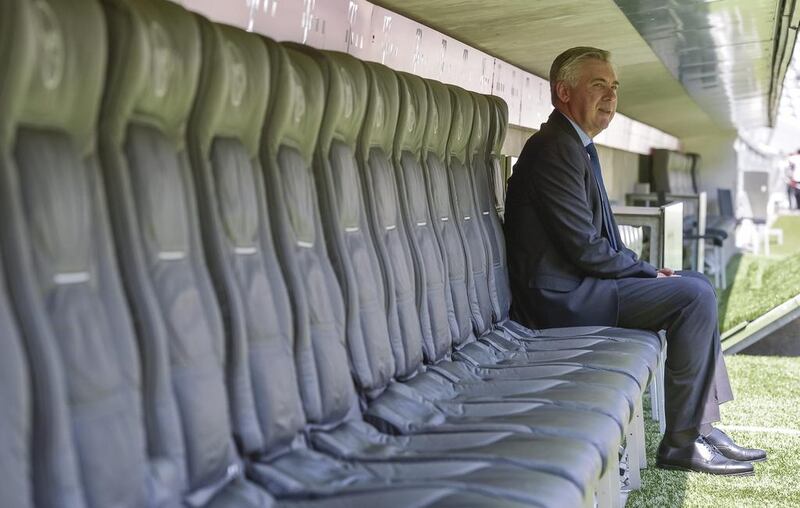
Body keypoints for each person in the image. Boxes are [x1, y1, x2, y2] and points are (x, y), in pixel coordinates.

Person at [504, 46, 766, 476]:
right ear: (563, 92)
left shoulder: (574, 144)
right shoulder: (554, 148)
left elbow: (597, 241)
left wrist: (647, 269)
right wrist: (645, 270)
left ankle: (700, 426)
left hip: (579, 285)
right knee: (692, 296)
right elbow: (585, 249)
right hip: (559, 300)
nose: (610, 96)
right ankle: (682, 441)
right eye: (597, 85)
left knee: (695, 281)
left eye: (614, 87)